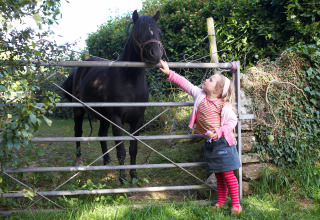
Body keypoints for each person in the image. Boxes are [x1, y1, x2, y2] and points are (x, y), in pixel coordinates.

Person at [159, 60, 242, 215]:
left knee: (228, 174)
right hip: (210, 143)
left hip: (223, 142)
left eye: (210, 80)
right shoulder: (200, 95)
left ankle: (236, 205)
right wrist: (170, 73)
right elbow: (186, 84)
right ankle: (221, 202)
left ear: (217, 90)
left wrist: (220, 131)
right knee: (218, 173)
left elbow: (232, 121)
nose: (206, 80)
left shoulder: (223, 105)